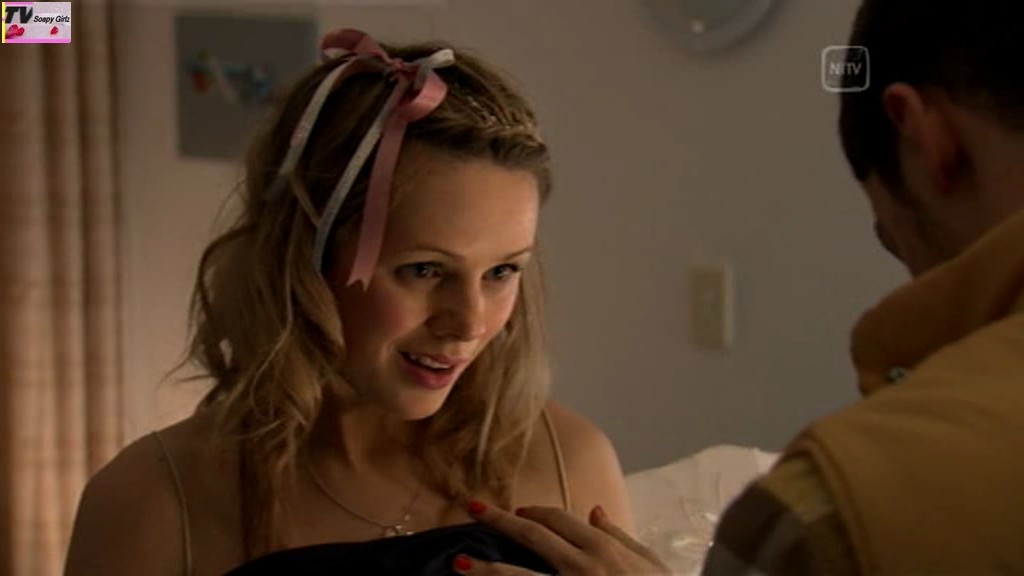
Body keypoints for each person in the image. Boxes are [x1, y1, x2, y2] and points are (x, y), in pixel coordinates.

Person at [460, 1, 1024, 574]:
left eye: (897, 242)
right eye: (423, 268)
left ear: (928, 141)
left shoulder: (835, 512)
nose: (467, 319)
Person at [63, 28, 634, 576]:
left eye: (501, 272)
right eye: (425, 270)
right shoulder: (155, 502)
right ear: (305, 260)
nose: (470, 322)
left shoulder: (571, 464)